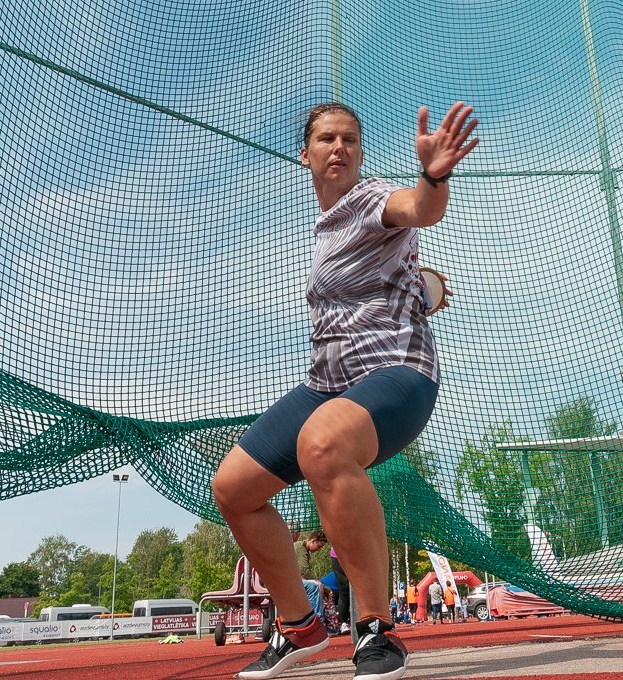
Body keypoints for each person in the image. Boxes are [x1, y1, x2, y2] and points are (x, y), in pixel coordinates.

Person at [211, 100, 479, 680]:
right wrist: (417, 285)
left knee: (323, 442)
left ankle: (376, 629)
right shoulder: (325, 227)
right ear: (305, 154)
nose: (339, 147)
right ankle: (299, 625)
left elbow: (418, 209)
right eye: (327, 139)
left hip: (397, 371)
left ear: (360, 154)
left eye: (350, 139)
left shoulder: (369, 198)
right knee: (233, 488)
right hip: (326, 382)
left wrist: (433, 177)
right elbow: (383, 276)